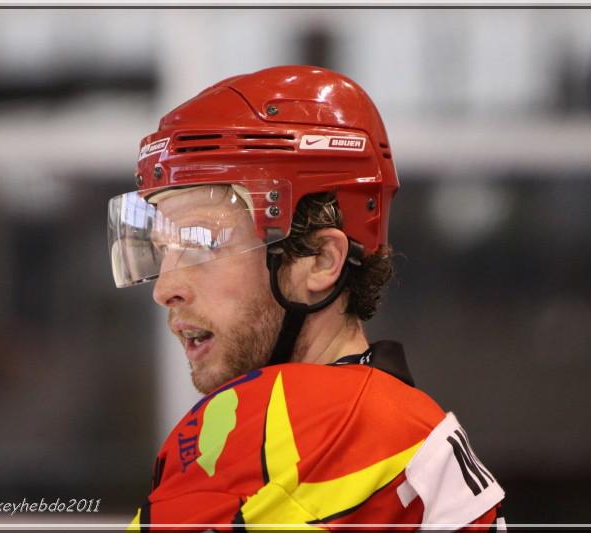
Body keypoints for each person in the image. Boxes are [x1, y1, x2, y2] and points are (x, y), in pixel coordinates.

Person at [108, 65, 505, 531]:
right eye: (163, 250)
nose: (164, 289)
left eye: (202, 242)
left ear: (319, 259)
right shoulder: (401, 415)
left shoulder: (286, 426)